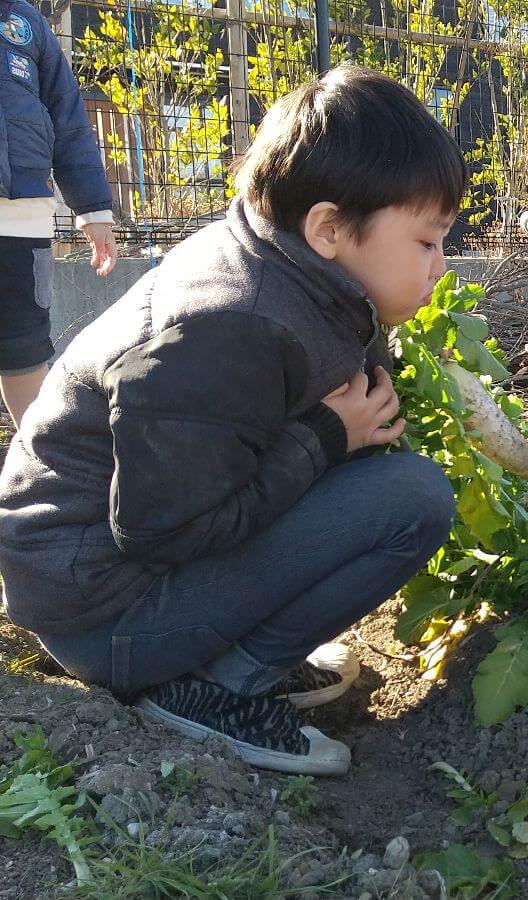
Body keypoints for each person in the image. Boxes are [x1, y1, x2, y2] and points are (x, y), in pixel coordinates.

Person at [0, 64, 464, 776]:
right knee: (412, 500)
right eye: (427, 243)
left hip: (112, 580)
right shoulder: (230, 326)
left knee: (380, 481)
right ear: (330, 228)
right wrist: (323, 439)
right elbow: (166, 529)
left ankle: (234, 656)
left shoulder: (289, 268)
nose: (440, 267)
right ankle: (214, 687)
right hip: (102, 611)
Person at [0, 0, 120, 424]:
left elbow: (68, 118)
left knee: (24, 348)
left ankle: (38, 465)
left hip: (23, 217)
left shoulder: (26, 24)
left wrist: (93, 210)